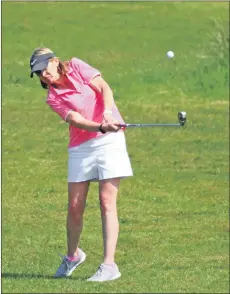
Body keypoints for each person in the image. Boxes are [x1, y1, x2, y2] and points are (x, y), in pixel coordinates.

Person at [29, 47, 133, 282]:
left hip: (110, 139)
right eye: (38, 74)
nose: (44, 75)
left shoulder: (76, 65)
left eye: (45, 69)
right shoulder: (53, 97)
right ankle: (73, 256)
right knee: (75, 206)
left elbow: (104, 87)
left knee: (107, 201)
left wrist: (107, 115)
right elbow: (74, 119)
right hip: (81, 146)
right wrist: (98, 126)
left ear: (55, 61)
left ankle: (109, 265)